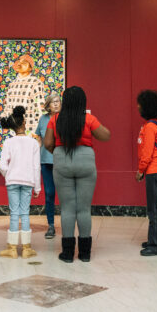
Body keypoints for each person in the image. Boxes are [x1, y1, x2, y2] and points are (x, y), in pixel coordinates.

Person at [42, 86, 110, 262]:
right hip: (85, 160)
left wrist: (58, 153)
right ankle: (85, 253)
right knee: (84, 208)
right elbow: (105, 136)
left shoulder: (55, 119)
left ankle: (67, 253)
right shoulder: (88, 119)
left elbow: (47, 143)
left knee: (67, 208)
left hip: (62, 159)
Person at [0, 106, 41, 259]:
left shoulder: (8, 142)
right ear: (24, 123)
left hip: (12, 182)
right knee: (25, 213)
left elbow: (2, 165)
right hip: (28, 182)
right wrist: (37, 188)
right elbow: (36, 167)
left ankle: (12, 248)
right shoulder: (33, 143)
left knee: (14, 213)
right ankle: (27, 248)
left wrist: (9, 175)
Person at [135, 90, 157, 256]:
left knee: (154, 208)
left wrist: (140, 171)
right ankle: (153, 239)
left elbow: (147, 153)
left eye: (140, 104)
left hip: (154, 170)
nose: (138, 107)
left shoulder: (150, 127)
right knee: (154, 206)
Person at [0, 54, 46, 136]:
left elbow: (39, 109)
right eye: (19, 62)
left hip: (31, 132)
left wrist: (38, 132)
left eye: (24, 63)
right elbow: (7, 111)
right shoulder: (12, 85)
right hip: (14, 133)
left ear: (30, 68)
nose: (20, 64)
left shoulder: (36, 83)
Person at [36, 92, 61, 239]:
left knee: (65, 195)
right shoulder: (43, 119)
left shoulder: (64, 119)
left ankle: (68, 224)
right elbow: (39, 139)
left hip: (62, 162)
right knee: (49, 193)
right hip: (46, 162)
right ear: (48, 105)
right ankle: (51, 225)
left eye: (58, 101)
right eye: (53, 102)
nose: (56, 104)